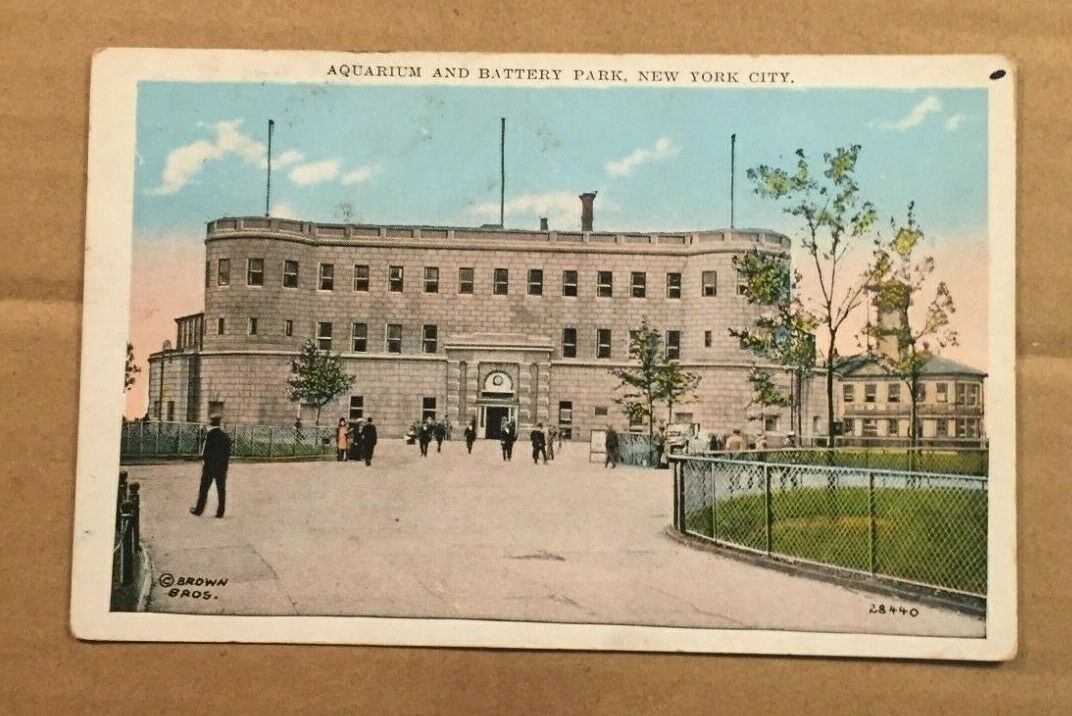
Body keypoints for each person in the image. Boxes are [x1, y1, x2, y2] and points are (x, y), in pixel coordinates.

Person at [191, 414, 231, 518]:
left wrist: (205, 462)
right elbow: (227, 455)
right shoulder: (225, 436)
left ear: (211, 423)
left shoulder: (210, 435)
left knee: (204, 489)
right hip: (221, 468)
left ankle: (199, 510)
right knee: (221, 490)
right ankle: (220, 512)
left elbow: (206, 452)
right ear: (219, 424)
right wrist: (225, 467)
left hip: (209, 467)